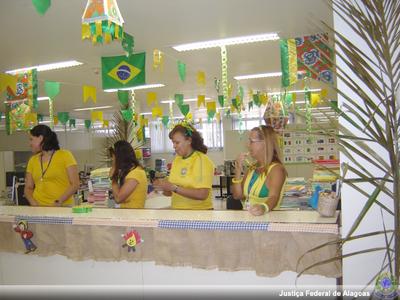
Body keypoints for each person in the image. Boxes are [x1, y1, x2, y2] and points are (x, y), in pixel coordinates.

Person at [153, 123, 215, 210]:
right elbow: (171, 193)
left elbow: (202, 194)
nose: (174, 146)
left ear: (189, 141)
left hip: (199, 214)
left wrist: (174, 188)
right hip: (178, 212)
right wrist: (163, 188)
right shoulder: (177, 160)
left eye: (177, 142)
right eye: (173, 142)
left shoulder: (202, 160)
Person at [231, 125, 287, 216]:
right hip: (249, 219)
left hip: (267, 220)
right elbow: (238, 196)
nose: (247, 145)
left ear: (265, 143)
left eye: (251, 141)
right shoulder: (252, 168)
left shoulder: (276, 170)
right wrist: (237, 170)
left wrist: (263, 207)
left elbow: (274, 197)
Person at [24, 124, 80, 207]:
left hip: (62, 207)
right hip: (38, 208)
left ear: (40, 138)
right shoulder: (33, 160)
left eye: (31, 139)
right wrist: (34, 204)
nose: (30, 143)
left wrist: (58, 202)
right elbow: (28, 188)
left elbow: (75, 184)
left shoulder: (65, 155)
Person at [109, 140, 148, 208]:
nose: (112, 160)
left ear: (119, 157)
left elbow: (118, 198)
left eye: (113, 157)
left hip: (133, 215)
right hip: (126, 213)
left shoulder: (136, 173)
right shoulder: (130, 171)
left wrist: (113, 178)